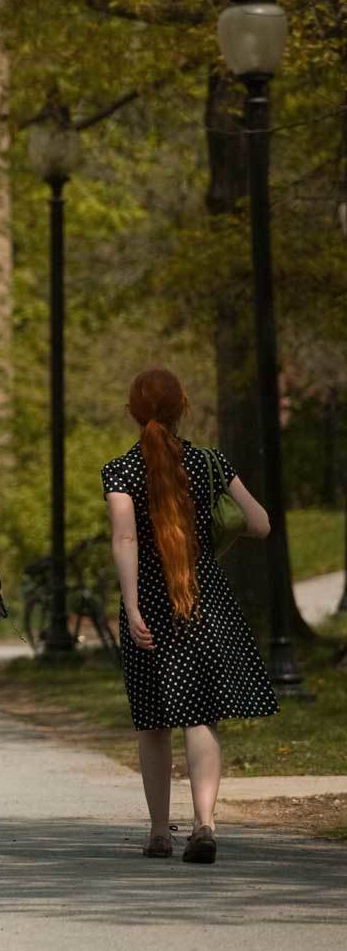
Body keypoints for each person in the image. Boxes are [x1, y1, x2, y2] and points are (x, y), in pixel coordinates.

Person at [104, 368, 279, 864]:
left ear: (133, 413)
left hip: (151, 606)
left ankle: (160, 832)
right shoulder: (210, 462)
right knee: (200, 716)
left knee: (152, 722)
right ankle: (205, 823)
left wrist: (134, 605)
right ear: (183, 405)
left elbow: (125, 539)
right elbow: (260, 523)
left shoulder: (120, 470)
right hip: (203, 600)